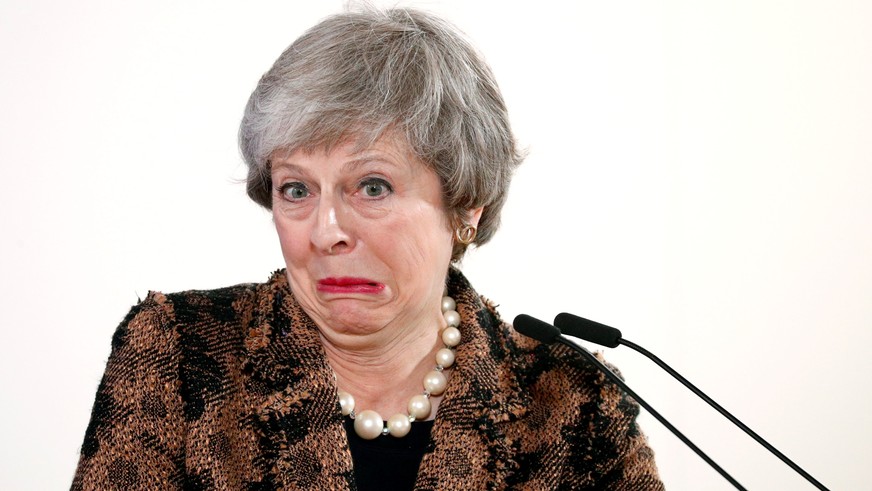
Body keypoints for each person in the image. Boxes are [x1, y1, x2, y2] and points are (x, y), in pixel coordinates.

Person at [72, 6, 663, 490]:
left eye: (372, 186)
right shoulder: (178, 353)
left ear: (466, 205)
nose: (326, 230)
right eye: (296, 189)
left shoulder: (569, 399)